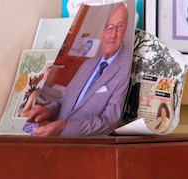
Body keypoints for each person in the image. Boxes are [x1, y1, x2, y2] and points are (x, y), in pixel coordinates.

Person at [25, 2, 132, 137]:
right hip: (59, 143)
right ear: (103, 32)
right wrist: (48, 111)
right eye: (109, 28)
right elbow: (64, 101)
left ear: (126, 28)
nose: (113, 34)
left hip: (89, 148)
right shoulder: (88, 64)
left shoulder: (129, 67)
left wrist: (65, 127)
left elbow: (109, 122)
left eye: (119, 27)